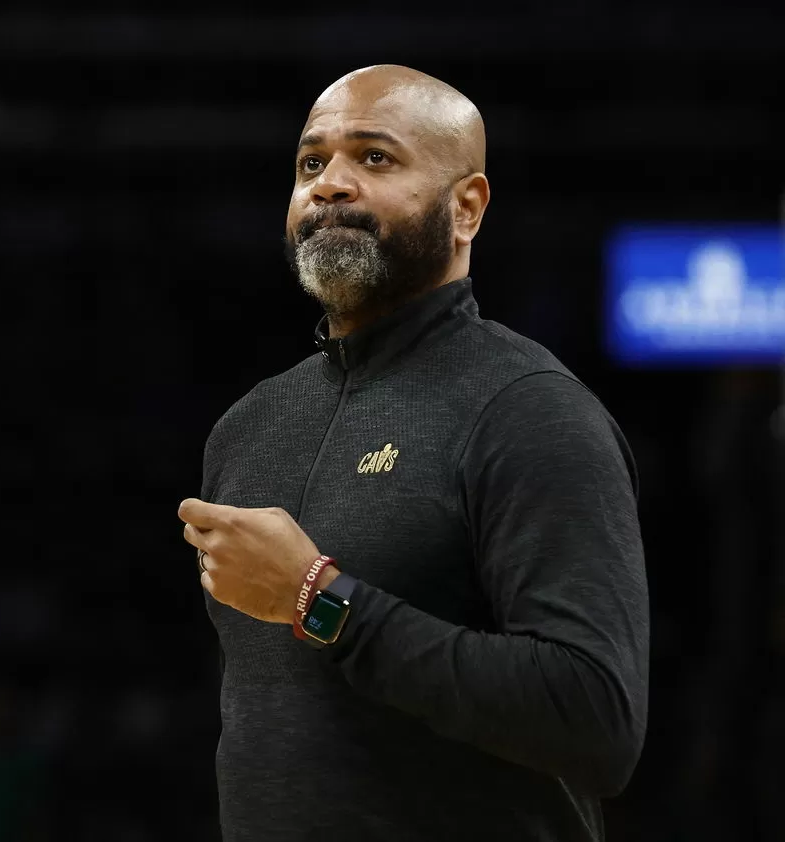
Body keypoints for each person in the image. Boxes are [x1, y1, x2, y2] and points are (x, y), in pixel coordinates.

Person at [178, 64, 649, 842]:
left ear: (467, 207)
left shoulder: (529, 409)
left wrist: (318, 599)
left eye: (374, 157)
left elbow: (596, 719)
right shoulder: (250, 426)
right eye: (311, 163)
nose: (330, 184)